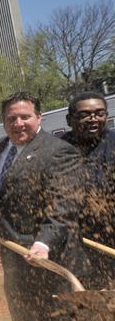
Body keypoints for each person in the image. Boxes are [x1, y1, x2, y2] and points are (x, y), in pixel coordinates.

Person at [0, 92, 86, 321]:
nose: (18, 123)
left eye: (25, 117)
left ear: (39, 117)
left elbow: (64, 204)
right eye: (11, 118)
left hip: (53, 263)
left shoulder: (59, 151)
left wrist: (44, 242)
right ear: (3, 122)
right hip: (16, 266)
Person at [62, 91, 115, 288]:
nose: (93, 119)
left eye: (99, 113)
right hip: (77, 246)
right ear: (70, 120)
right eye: (84, 114)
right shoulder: (59, 149)